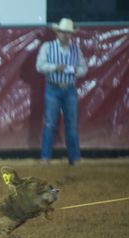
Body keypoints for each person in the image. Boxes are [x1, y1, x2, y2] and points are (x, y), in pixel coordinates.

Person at [36, 18, 88, 165]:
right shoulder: (47, 47)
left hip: (69, 89)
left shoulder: (76, 49)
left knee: (71, 125)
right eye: (63, 32)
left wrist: (76, 71)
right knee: (49, 124)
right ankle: (45, 158)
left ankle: (74, 158)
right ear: (57, 32)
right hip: (53, 87)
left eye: (68, 33)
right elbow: (39, 66)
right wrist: (54, 67)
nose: (65, 35)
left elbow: (84, 68)